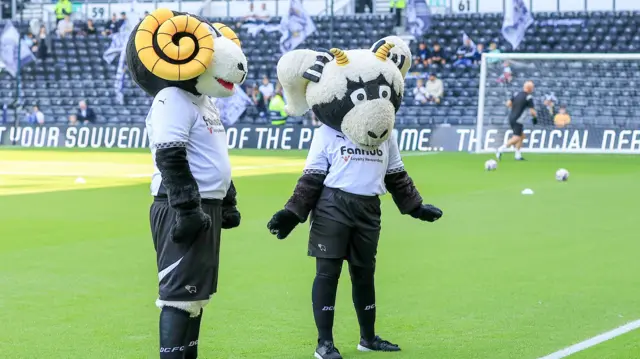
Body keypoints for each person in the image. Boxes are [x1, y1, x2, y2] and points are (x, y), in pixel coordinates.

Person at [496, 81, 538, 161]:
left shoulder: (516, 94)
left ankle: (517, 155)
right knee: (516, 137)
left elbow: (508, 104)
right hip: (518, 119)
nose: (533, 89)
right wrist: (535, 118)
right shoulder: (528, 97)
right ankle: (501, 149)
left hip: (512, 117)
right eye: (532, 87)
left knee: (522, 136)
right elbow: (532, 111)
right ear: (529, 88)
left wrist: (516, 108)